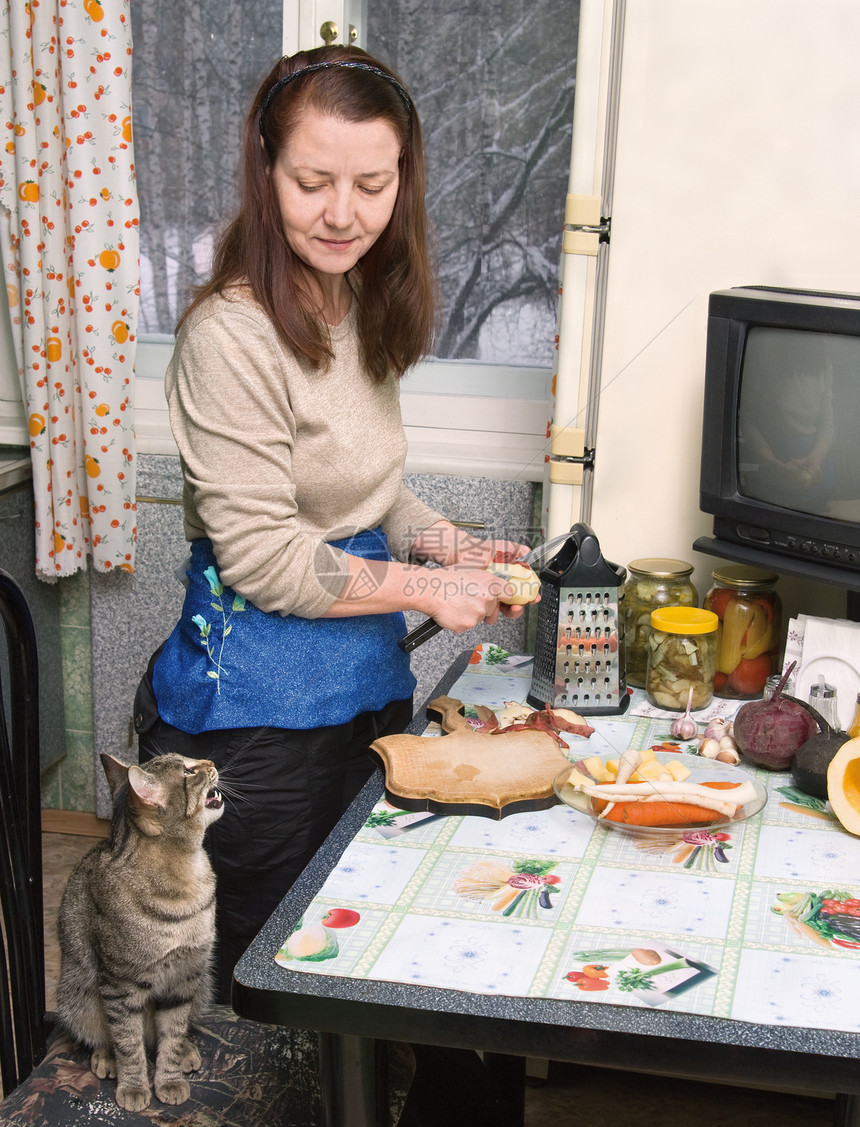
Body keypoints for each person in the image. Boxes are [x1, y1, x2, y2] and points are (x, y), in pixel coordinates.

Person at [133, 44, 533, 1004]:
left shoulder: (358, 299)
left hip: (361, 688)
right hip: (252, 726)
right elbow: (269, 558)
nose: (343, 213)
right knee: (260, 977)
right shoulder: (229, 334)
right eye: (313, 182)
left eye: (372, 183)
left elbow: (369, 492)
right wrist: (437, 589)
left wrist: (447, 544)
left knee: (355, 937)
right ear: (265, 170)